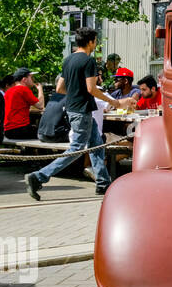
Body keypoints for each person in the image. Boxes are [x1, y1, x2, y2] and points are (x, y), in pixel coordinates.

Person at [26, 28, 120, 199]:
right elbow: (92, 89)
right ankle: (38, 176)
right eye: (96, 41)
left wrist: (75, 92)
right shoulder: (88, 61)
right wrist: (113, 101)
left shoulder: (68, 60)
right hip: (83, 110)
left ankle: (103, 183)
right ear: (91, 41)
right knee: (76, 149)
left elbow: (60, 88)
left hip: (73, 109)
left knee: (96, 145)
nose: (96, 44)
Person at [2, 68, 44, 139]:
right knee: (46, 133)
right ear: (24, 79)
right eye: (31, 77)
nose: (33, 80)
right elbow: (40, 106)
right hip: (20, 130)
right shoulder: (23, 89)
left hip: (7, 131)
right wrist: (40, 89)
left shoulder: (8, 91)